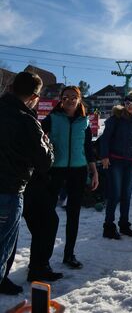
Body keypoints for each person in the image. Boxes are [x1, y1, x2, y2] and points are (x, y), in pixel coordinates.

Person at [26, 86, 99, 274]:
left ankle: (69, 254)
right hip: (55, 170)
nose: (70, 100)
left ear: (80, 99)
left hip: (78, 170)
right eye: (66, 97)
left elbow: (88, 149)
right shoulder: (53, 118)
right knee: (47, 216)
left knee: (74, 214)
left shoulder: (84, 121)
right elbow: (38, 140)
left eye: (74, 97)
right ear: (60, 99)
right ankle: (43, 260)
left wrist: (94, 171)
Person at [0, 72, 53, 294]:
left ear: (11, 86)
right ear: (34, 96)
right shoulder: (28, 120)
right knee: (3, 244)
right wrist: (48, 144)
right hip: (9, 189)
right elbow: (45, 161)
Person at [99, 91, 132, 239]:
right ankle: (108, 226)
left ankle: (124, 224)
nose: (130, 106)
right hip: (116, 161)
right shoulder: (116, 119)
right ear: (124, 104)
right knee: (115, 195)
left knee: (126, 195)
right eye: (127, 103)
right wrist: (105, 156)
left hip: (131, 162)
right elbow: (105, 139)